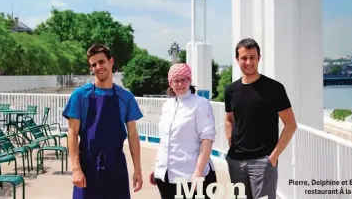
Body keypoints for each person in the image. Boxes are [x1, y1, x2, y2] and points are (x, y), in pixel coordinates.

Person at [62, 44, 144, 199]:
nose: (98, 67)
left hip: (116, 165)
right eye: (93, 64)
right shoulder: (80, 96)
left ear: (111, 61)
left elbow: (133, 135)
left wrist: (137, 170)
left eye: (101, 62)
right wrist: (76, 169)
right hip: (87, 165)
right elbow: (72, 134)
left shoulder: (126, 97)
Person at [224, 38, 298, 199]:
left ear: (259, 58)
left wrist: (272, 158)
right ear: (237, 59)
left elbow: (291, 125)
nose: (248, 62)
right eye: (244, 57)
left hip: (263, 161)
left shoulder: (274, 88)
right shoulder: (230, 90)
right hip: (236, 161)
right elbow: (229, 119)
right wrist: (231, 144)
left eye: (252, 57)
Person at [149, 63, 217, 199]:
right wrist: (155, 166)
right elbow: (164, 140)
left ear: (190, 81)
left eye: (183, 79)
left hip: (191, 176)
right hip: (166, 176)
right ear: (170, 83)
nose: (179, 84)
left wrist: (198, 171)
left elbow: (207, 139)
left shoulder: (200, 104)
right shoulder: (167, 105)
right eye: (175, 80)